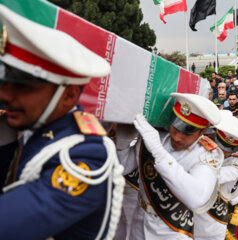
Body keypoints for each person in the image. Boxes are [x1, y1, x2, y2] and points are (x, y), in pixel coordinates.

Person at [0, 5, 124, 239]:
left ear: (67, 96)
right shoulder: (35, 127)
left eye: (23, 86)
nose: (5, 95)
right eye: (4, 81)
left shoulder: (86, 156)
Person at [122, 93, 223, 239]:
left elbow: (196, 199)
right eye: (175, 127)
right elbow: (122, 167)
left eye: (187, 133)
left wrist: (159, 153)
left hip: (172, 230)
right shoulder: (155, 137)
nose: (177, 137)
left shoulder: (207, 156)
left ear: (202, 131)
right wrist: (123, 139)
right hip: (139, 221)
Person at [194, 110, 238, 240]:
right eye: (222, 146)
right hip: (196, 208)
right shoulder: (206, 150)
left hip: (215, 215)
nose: (224, 152)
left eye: (228, 149)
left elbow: (214, 176)